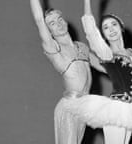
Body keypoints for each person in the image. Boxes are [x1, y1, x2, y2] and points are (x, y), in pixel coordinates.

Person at [64, 0, 132, 144]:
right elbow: (90, 30)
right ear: (103, 35)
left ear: (121, 27)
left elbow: (128, 71)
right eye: (105, 27)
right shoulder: (107, 53)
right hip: (116, 109)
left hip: (131, 108)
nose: (110, 29)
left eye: (113, 24)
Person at [30, 0, 105, 144]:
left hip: (83, 107)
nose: (58, 24)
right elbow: (39, 19)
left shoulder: (82, 47)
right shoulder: (54, 48)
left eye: (59, 19)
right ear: (49, 31)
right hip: (70, 107)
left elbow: (104, 67)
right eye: (52, 23)